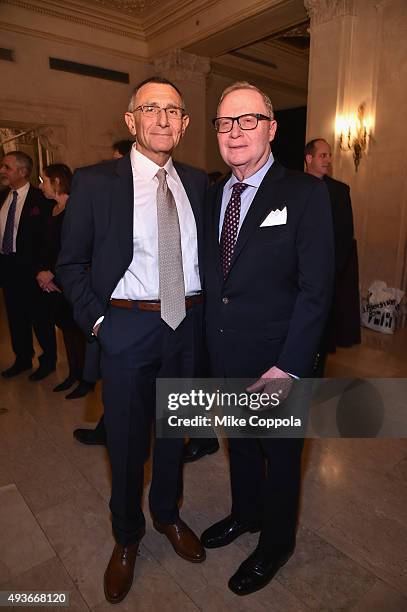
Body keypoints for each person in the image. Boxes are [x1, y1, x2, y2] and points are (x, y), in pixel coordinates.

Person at [57, 76, 207, 604]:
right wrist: (99, 325)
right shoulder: (96, 182)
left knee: (176, 435)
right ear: (131, 120)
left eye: (173, 110)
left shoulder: (200, 183)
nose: (163, 119)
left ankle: (166, 514)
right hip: (127, 328)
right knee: (124, 447)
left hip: (186, 329)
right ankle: (127, 538)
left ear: (185, 124)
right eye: (151, 108)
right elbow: (70, 263)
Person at [201, 82, 334, 596]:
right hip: (226, 356)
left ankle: (276, 542)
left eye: (248, 120)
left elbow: (316, 289)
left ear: (272, 128)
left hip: (280, 363)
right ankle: (245, 514)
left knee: (279, 459)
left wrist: (291, 366)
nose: (235, 132)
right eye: (225, 123)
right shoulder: (212, 196)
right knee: (239, 447)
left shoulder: (304, 193)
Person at [36, 163, 94, 399]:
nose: (41, 186)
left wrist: (52, 273)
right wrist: (42, 271)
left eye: (44, 181)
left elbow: (77, 250)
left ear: (57, 182)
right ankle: (73, 373)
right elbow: (46, 247)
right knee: (67, 332)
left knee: (78, 332)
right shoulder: (52, 208)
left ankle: (86, 379)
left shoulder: (76, 209)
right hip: (53, 280)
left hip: (71, 280)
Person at [305, 138, 361, 374]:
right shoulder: (292, 186)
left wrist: (329, 273)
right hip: (295, 276)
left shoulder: (339, 191)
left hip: (326, 276)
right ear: (309, 159)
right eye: (323, 156)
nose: (328, 160)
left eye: (329, 156)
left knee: (321, 334)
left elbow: (345, 237)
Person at [0, 151, 56, 380]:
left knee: (40, 317)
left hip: (34, 271)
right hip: (7, 266)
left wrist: (46, 269)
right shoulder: (2, 196)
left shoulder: (40, 199)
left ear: (22, 172)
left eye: (7, 167)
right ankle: (22, 358)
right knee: (15, 317)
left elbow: (49, 239)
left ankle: (48, 360)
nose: (2, 171)